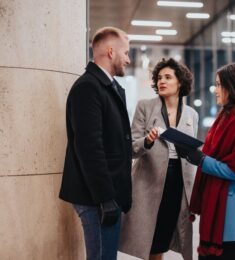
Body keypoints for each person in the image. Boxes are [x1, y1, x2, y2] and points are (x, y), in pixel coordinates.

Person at [176, 63, 235, 260]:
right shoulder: (226, 117)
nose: (215, 90)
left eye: (219, 85)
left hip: (231, 209)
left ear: (233, 86)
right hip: (218, 205)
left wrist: (202, 160)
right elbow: (219, 155)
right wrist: (197, 154)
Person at [59, 27, 133, 260]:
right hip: (97, 198)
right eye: (126, 53)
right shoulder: (88, 87)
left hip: (107, 195)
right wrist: (105, 198)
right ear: (111, 52)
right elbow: (89, 147)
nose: (128, 60)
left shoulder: (109, 86)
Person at [119, 58, 199, 260]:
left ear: (180, 82)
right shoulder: (145, 107)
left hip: (179, 184)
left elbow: (190, 153)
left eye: (168, 77)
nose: (161, 81)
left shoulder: (191, 114)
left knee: (164, 235)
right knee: (151, 240)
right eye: (159, 78)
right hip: (150, 183)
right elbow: (131, 148)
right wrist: (147, 141)